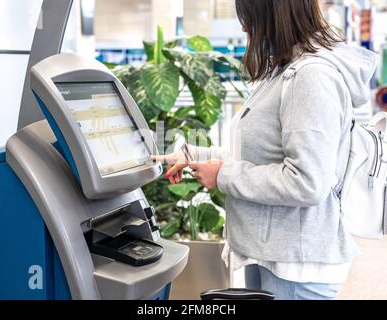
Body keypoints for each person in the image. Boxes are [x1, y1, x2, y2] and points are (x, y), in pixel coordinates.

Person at [152, 0, 378, 300]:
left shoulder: (311, 77)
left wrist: (224, 176)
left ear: (271, 15)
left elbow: (308, 182)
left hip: (296, 268)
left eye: (249, 18)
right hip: (275, 255)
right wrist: (196, 157)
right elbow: (263, 153)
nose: (245, 27)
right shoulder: (288, 69)